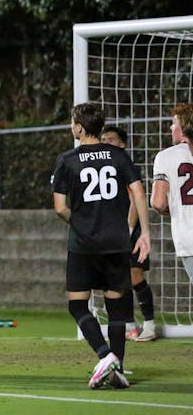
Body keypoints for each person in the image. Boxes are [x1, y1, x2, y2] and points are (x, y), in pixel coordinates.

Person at [52, 102, 150, 389]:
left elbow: (60, 208)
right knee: (117, 308)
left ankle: (105, 356)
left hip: (84, 244)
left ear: (79, 127)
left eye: (72, 122)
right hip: (117, 241)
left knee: (78, 305)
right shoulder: (119, 156)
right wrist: (144, 232)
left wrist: (79, 222)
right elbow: (138, 194)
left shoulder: (68, 159)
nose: (71, 126)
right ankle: (117, 367)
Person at [99, 125, 157, 342]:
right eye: (103, 138)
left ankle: (150, 325)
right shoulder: (101, 167)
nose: (106, 142)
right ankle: (130, 325)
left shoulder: (124, 164)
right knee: (117, 278)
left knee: (135, 275)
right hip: (112, 230)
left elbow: (135, 200)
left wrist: (129, 229)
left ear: (122, 144)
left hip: (131, 230)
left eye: (111, 139)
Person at [151, 103, 193, 284]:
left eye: (174, 123)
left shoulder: (165, 156)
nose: (170, 127)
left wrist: (173, 207)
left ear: (184, 127)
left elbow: (158, 202)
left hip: (189, 236)